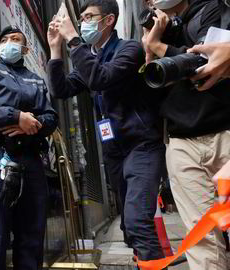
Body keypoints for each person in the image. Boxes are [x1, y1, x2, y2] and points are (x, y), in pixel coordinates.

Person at [47, 0, 167, 263]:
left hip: (142, 146)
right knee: (131, 230)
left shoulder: (129, 49)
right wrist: (56, 51)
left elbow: (101, 77)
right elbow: (61, 90)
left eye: (89, 16)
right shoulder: (92, 57)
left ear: (109, 20)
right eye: (81, 18)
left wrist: (74, 41)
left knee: (138, 221)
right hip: (115, 152)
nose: (83, 22)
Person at [142, 0, 230, 268]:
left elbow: (205, 66)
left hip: (225, 133)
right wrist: (151, 48)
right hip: (181, 142)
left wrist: (159, 47)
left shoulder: (214, 9)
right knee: (202, 240)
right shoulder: (160, 29)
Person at [0, 26, 58, 270]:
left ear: (25, 48)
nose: (9, 43)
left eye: (15, 39)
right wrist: (16, 116)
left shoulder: (36, 80)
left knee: (32, 232)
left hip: (32, 158)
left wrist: (31, 125)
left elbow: (51, 117)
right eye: (4, 40)